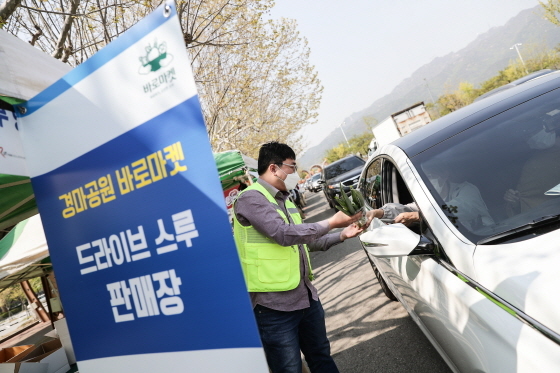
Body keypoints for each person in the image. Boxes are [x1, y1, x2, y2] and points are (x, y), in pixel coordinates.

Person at [233, 141, 367, 373]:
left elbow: (306, 240)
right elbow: (283, 234)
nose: (294, 174)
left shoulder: (285, 199)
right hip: (274, 307)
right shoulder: (251, 199)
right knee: (289, 369)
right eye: (291, 167)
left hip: (306, 298)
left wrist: (342, 234)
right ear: (274, 168)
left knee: (321, 358)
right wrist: (331, 221)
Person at [367, 164, 494, 231]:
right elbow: (406, 210)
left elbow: (462, 208)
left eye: (431, 175)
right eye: (424, 177)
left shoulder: (465, 189)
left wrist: (419, 216)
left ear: (445, 174)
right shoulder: (427, 199)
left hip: (485, 238)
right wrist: (378, 212)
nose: (428, 180)